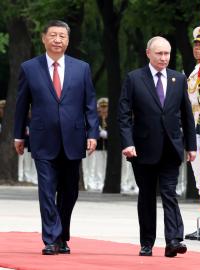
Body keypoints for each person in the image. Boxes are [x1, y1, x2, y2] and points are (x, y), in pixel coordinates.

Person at [13, 20, 99, 255]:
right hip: (42, 139)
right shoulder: (30, 68)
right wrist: (18, 135)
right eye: (53, 35)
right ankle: (50, 238)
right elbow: (21, 105)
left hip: (73, 138)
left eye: (62, 36)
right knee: (47, 189)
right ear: (44, 38)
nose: (57, 40)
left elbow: (90, 104)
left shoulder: (81, 68)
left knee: (70, 191)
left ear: (68, 40)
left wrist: (93, 132)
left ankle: (62, 234)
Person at [118, 36, 196, 257]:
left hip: (171, 147)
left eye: (167, 54)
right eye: (159, 53)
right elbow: (123, 115)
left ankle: (173, 240)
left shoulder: (178, 79)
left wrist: (191, 145)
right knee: (147, 196)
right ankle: (147, 242)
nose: (164, 58)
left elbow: (186, 114)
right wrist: (128, 143)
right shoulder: (134, 79)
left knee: (170, 193)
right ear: (148, 53)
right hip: (142, 149)